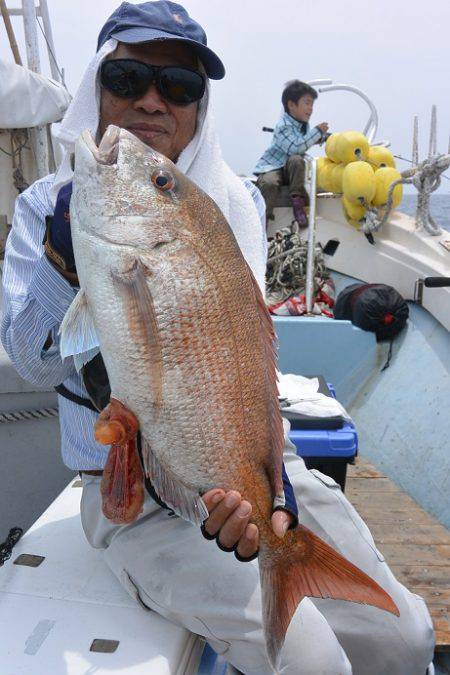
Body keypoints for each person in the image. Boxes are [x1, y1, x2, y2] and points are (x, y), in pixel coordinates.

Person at [1, 2, 435, 673]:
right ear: (95, 87)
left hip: (254, 468)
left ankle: (282, 543)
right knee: (313, 660)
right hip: (130, 499)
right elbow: (32, 361)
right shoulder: (43, 210)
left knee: (402, 638)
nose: (152, 100)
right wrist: (65, 257)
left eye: (179, 87)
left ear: (201, 108)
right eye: (128, 79)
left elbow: (246, 365)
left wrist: (276, 496)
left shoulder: (235, 206)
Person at [254, 80, 329, 229]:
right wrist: (317, 132)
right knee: (269, 183)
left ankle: (298, 203)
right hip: (272, 167)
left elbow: (300, 144)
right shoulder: (283, 126)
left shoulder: (302, 126)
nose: (310, 108)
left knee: (297, 161)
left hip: (289, 168)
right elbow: (295, 147)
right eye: (307, 103)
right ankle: (260, 224)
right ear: (291, 105)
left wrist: (321, 138)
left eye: (312, 104)